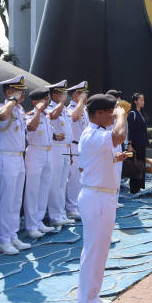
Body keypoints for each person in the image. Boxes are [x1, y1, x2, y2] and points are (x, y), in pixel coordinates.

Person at [76, 94, 129, 303]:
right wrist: (123, 114)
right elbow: (119, 135)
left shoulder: (96, 134)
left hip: (102, 196)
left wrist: (117, 158)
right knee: (94, 251)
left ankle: (92, 297)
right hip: (96, 197)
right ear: (99, 113)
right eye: (110, 112)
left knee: (99, 251)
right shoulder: (93, 134)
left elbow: (104, 157)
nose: (112, 115)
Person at [0, 75, 31, 255]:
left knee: (16, 201)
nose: (22, 94)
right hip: (6, 158)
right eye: (18, 90)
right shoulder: (2, 108)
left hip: (19, 158)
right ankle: (3, 241)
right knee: (7, 201)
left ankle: (13, 235)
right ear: (9, 92)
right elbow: (2, 116)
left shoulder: (19, 110)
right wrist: (12, 100)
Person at [23, 88, 56, 239]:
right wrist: (37, 110)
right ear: (36, 101)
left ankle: (39, 220)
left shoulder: (47, 116)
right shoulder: (31, 114)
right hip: (35, 153)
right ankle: (31, 226)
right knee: (33, 190)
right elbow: (32, 127)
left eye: (47, 99)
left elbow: (48, 133)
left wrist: (56, 136)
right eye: (44, 99)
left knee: (44, 188)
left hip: (48, 152)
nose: (47, 102)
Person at [46, 80, 74, 228]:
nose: (65, 95)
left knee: (63, 183)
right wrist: (61, 103)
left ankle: (61, 213)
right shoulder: (52, 108)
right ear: (55, 94)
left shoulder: (63, 109)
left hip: (65, 148)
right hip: (55, 148)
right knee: (55, 183)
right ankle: (55, 215)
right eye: (62, 93)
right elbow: (53, 116)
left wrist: (69, 152)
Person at [64, 81, 89, 220]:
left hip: (83, 147)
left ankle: (78, 205)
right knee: (74, 179)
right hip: (73, 146)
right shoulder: (71, 108)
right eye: (83, 94)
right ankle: (71, 208)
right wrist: (80, 102)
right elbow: (75, 117)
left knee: (82, 179)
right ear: (75, 95)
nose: (85, 97)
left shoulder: (83, 109)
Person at [127, 93, 148, 193]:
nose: (143, 102)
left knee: (141, 165)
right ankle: (134, 188)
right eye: (141, 100)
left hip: (142, 143)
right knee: (135, 165)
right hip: (135, 144)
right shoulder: (132, 113)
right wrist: (129, 145)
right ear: (135, 101)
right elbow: (129, 130)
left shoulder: (142, 113)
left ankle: (139, 186)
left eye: (143, 100)